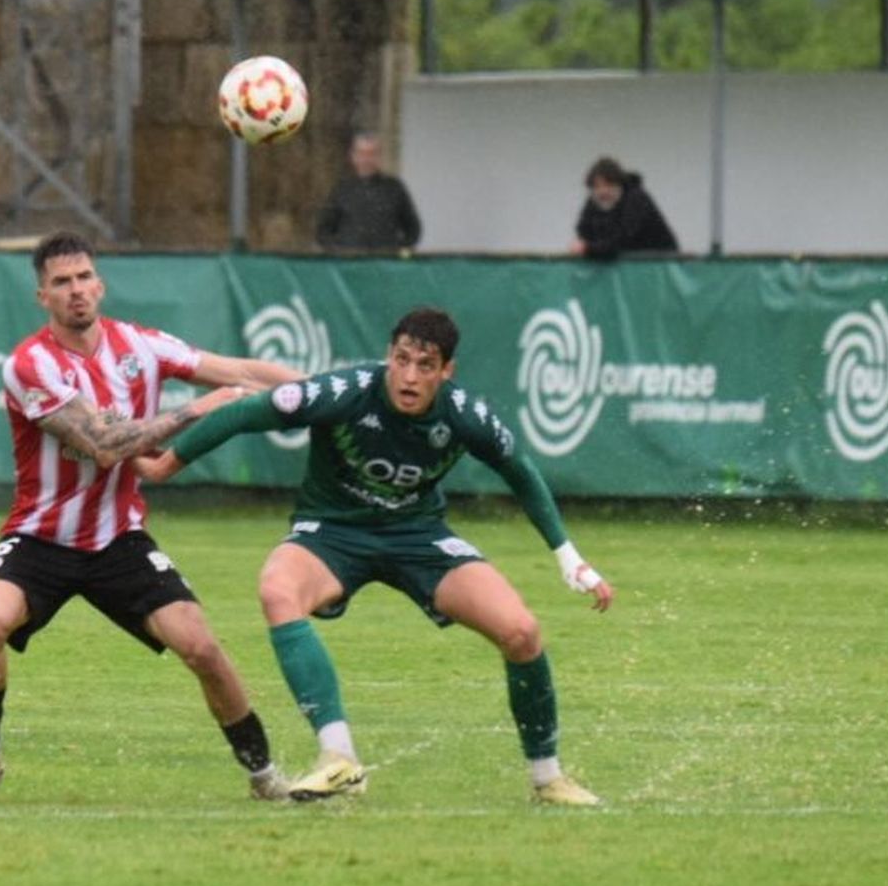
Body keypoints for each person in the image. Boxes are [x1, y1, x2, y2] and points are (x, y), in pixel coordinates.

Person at [135, 306, 614, 806]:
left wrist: (569, 557)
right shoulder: (344, 392)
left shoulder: (465, 414)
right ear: (389, 356)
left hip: (419, 536)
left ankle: (548, 779)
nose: (409, 376)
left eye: (425, 366)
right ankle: (338, 757)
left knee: (522, 632)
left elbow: (521, 471)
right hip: (332, 532)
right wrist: (167, 465)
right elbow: (243, 413)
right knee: (278, 591)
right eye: (401, 360)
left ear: (446, 371)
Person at [0, 230, 306, 804]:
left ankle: (265, 777)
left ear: (99, 284)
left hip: (118, 537)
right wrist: (199, 409)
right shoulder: (30, 365)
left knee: (201, 647)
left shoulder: (140, 345)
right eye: (61, 282)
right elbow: (103, 445)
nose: (75, 290)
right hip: (40, 537)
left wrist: (331, 390)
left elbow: (239, 371)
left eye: (83, 278)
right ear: (42, 297)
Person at [315, 132, 422, 253]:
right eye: (362, 153)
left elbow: (413, 229)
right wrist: (338, 251)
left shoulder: (394, 188)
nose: (366, 159)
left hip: (385, 260)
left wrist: (398, 251)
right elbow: (323, 230)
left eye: (372, 154)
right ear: (353, 156)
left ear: (379, 157)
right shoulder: (341, 189)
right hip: (350, 261)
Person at [570, 156, 677, 260]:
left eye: (608, 185)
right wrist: (585, 246)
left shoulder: (636, 198)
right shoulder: (594, 200)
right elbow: (583, 230)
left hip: (660, 263)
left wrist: (589, 248)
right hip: (629, 263)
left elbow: (622, 241)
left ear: (619, 184)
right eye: (597, 186)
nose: (603, 191)